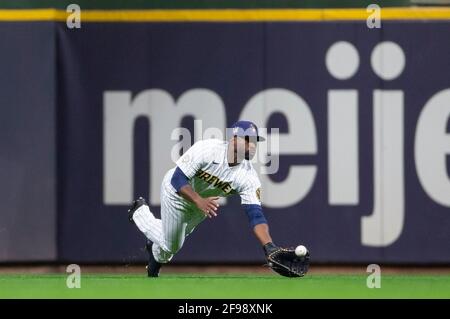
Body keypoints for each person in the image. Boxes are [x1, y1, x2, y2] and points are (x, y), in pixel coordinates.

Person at [128, 120, 281, 277]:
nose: (253, 145)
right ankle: (140, 213)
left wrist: (269, 246)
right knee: (172, 245)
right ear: (234, 139)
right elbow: (178, 179)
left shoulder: (248, 177)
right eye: (248, 140)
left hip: (202, 206)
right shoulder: (208, 149)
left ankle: (154, 254)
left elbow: (255, 215)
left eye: (255, 141)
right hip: (177, 194)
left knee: (170, 243)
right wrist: (198, 200)